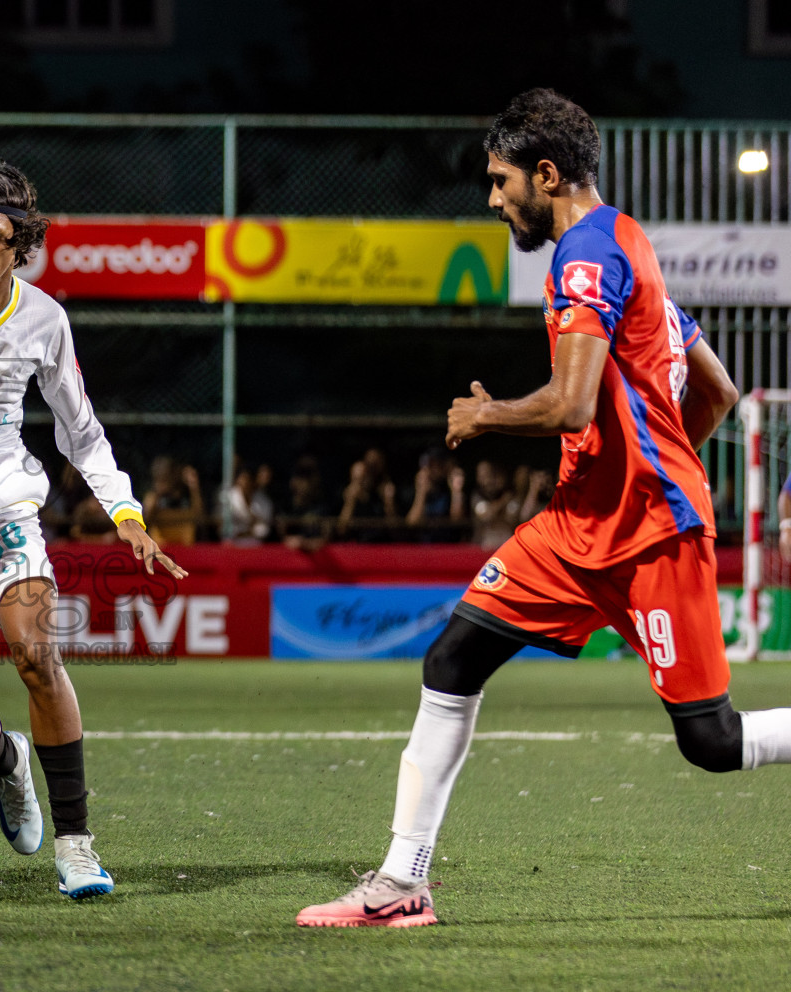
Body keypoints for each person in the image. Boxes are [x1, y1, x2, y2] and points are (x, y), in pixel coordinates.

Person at [297, 89, 773, 928]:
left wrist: (487, 415)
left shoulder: (584, 257)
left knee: (714, 743)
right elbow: (718, 390)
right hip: (574, 527)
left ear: (545, 174)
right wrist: (653, 462)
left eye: (500, 179)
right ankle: (402, 884)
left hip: (650, 538)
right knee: (451, 661)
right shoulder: (628, 239)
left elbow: (572, 406)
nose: (492, 198)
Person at [0, 156, 186, 899]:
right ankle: (6, 762)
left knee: (35, 653)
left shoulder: (44, 319)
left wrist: (126, 513)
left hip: (6, 509)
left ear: (19, 241)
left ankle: (77, 845)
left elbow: (79, 430)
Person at [337, 447, 398, 541]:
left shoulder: (383, 494)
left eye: (376, 465)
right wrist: (350, 502)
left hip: (382, 545)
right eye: (356, 480)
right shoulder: (348, 496)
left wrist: (389, 503)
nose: (372, 471)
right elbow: (341, 530)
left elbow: (396, 533)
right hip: (356, 545)